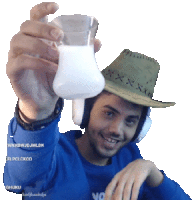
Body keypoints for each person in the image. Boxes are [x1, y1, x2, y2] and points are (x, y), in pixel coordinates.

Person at [4, 2, 191, 200]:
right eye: (109, 112)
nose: (117, 130)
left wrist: (153, 173)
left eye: (130, 121)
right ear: (84, 109)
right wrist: (35, 112)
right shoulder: (53, 154)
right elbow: (19, 178)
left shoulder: (131, 160)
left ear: (141, 128)